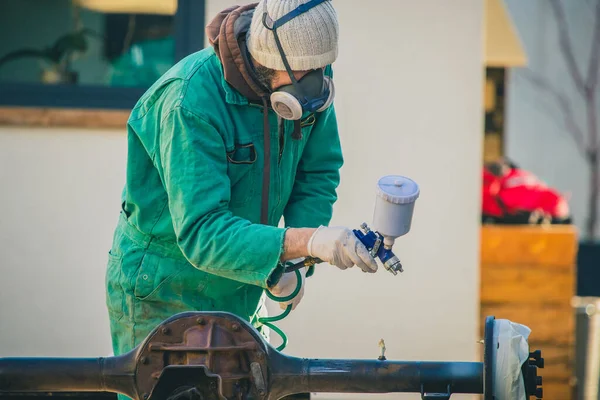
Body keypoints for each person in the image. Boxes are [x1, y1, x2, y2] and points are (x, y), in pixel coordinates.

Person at [105, 0, 379, 366]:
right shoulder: (189, 102)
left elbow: (318, 171)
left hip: (242, 282)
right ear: (267, 59)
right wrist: (305, 242)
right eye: (303, 74)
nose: (314, 82)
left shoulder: (307, 73)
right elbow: (203, 232)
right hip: (165, 290)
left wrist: (295, 262)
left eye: (322, 69)